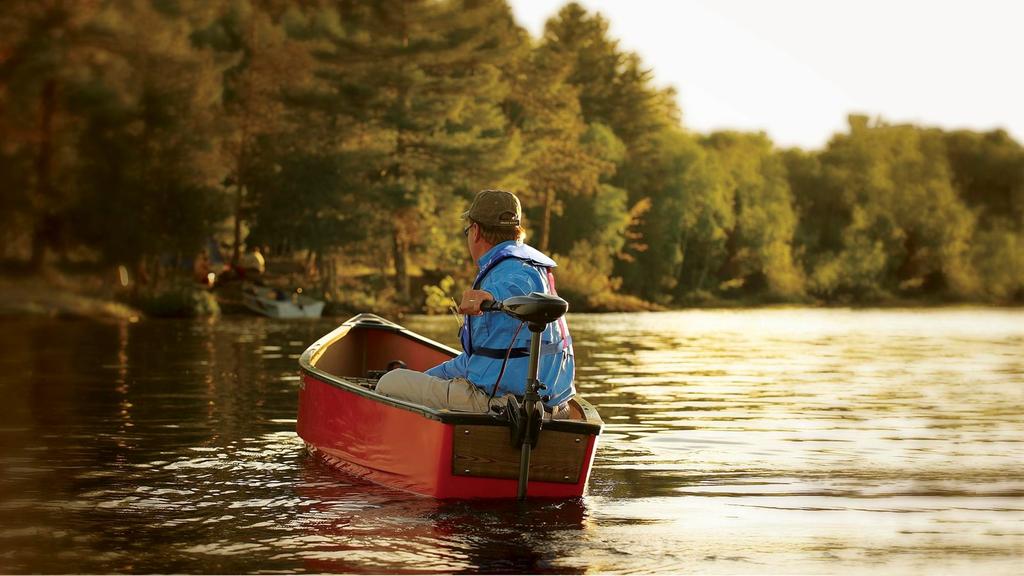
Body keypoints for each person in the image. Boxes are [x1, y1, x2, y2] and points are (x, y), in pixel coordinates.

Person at [376, 189, 575, 418]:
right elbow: (476, 362)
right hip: (557, 408)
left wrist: (491, 296)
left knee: (389, 382)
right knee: (420, 379)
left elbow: (517, 287)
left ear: (475, 231)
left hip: (505, 408)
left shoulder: (510, 273)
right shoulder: (533, 267)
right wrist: (426, 376)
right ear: (517, 233)